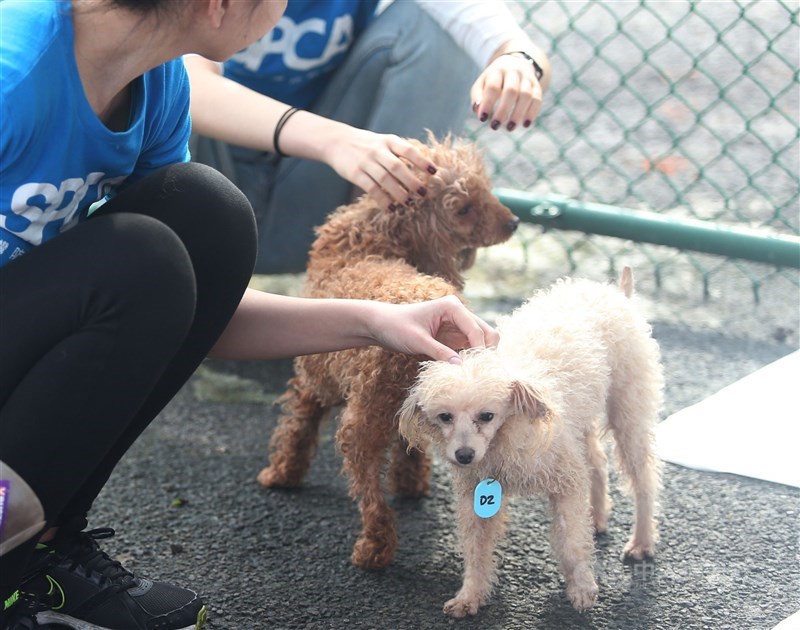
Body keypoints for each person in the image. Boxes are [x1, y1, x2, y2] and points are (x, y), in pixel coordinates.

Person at [0, 1, 500, 628]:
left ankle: (34, 552)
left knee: (208, 216)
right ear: (219, 6)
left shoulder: (156, 85)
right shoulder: (13, 71)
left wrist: (376, 322)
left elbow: (192, 313)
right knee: (142, 254)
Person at [187, 0, 552, 273]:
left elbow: (507, 40)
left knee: (435, 27)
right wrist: (333, 140)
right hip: (205, 187)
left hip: (315, 190)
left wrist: (518, 64)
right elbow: (188, 85)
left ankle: (381, 280)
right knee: (159, 85)